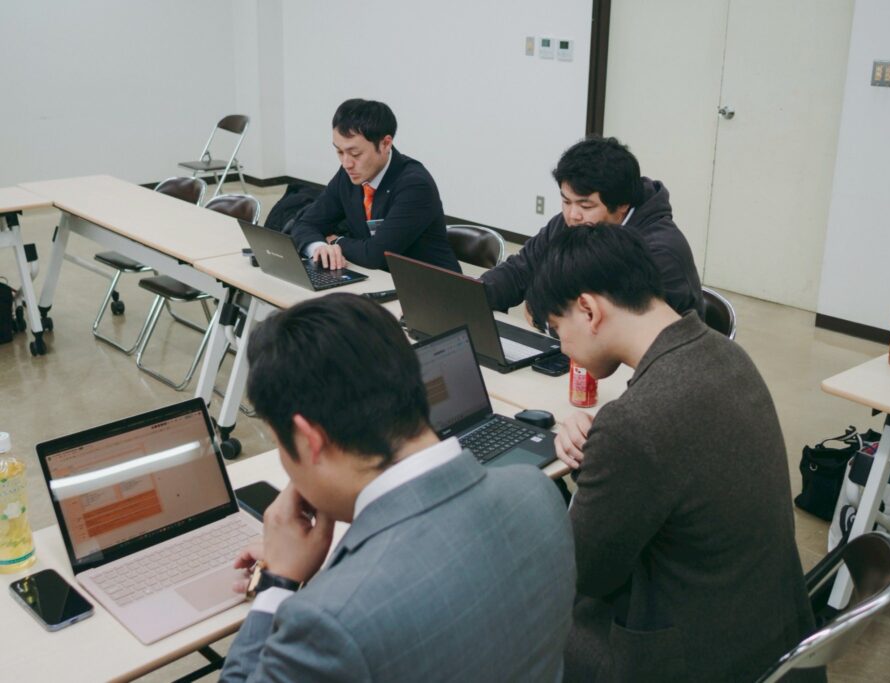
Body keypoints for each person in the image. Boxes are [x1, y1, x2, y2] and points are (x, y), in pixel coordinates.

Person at [219, 294, 575, 682]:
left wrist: (277, 582)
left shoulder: (329, 622)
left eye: (279, 443)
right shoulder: (536, 492)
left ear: (308, 440)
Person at [525, 226, 822, 682]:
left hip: (697, 659)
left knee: (513, 611)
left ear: (588, 309)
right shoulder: (726, 354)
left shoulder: (633, 423)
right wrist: (602, 450)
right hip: (771, 631)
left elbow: (586, 576)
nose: (561, 346)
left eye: (556, 328)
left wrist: (601, 453)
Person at [481, 136, 704, 320]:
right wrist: (476, 296)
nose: (572, 215)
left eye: (586, 206)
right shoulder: (572, 223)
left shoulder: (659, 253)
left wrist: (546, 318)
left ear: (622, 205)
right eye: (566, 201)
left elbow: (618, 328)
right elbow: (520, 270)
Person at [288, 98, 461, 272]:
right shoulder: (348, 174)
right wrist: (319, 247)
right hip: (379, 278)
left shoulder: (415, 185)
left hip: (428, 283)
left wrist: (335, 241)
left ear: (385, 144)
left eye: (355, 153)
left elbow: (375, 255)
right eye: (339, 151)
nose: (346, 163)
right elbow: (305, 223)